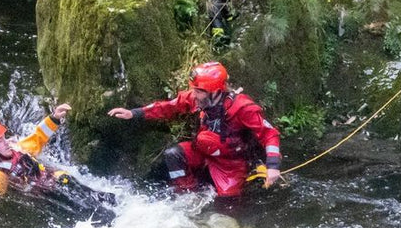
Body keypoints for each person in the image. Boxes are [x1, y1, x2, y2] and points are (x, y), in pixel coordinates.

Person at [106, 61, 281, 198]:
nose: (194, 95)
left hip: (231, 164)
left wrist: (273, 166)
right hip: (204, 151)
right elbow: (168, 107)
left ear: (215, 92)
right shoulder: (197, 98)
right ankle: (187, 194)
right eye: (194, 90)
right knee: (173, 154)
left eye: (199, 91)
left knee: (228, 204)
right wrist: (134, 113)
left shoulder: (242, 107)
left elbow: (269, 134)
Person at [0, 103, 115, 221]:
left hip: (57, 178)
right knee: (85, 209)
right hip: (47, 194)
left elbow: (38, 137)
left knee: (70, 182)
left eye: (3, 138)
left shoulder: (17, 147)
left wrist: (54, 118)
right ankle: (102, 217)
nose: (5, 142)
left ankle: (110, 201)